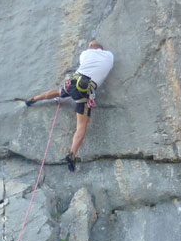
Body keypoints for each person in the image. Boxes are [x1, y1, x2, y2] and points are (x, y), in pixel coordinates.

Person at [25, 39, 114, 171]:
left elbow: (88, 53)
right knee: (81, 125)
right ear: (101, 49)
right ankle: (72, 154)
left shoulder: (85, 54)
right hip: (85, 91)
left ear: (91, 48)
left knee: (60, 92)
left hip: (74, 83)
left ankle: (34, 99)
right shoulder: (109, 56)